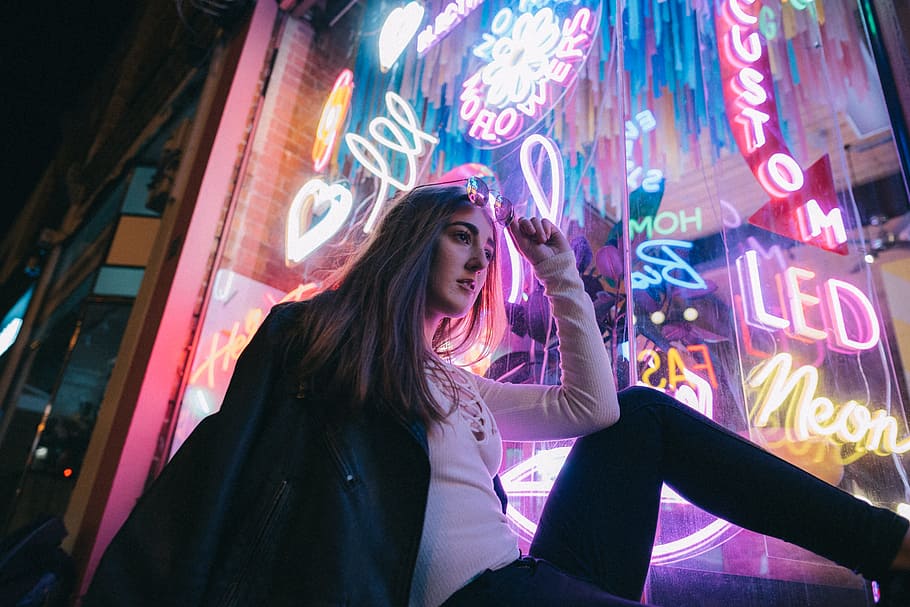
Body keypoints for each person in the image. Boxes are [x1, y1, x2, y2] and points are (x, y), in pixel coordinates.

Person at [84, 178, 910, 607]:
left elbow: (597, 410)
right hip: (460, 599)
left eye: (488, 248)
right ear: (412, 245)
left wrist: (556, 271)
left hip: (521, 578)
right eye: (459, 238)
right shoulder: (326, 343)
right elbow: (223, 478)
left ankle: (890, 549)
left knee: (646, 418)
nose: (481, 259)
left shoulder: (459, 384)